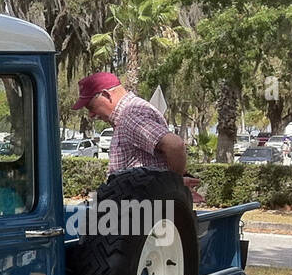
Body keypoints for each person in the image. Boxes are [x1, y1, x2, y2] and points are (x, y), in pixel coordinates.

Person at [71, 72, 203, 204]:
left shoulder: (129, 115)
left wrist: (176, 185)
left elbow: (175, 145)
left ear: (106, 95)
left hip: (143, 211)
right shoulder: (130, 112)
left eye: (90, 107)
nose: (91, 115)